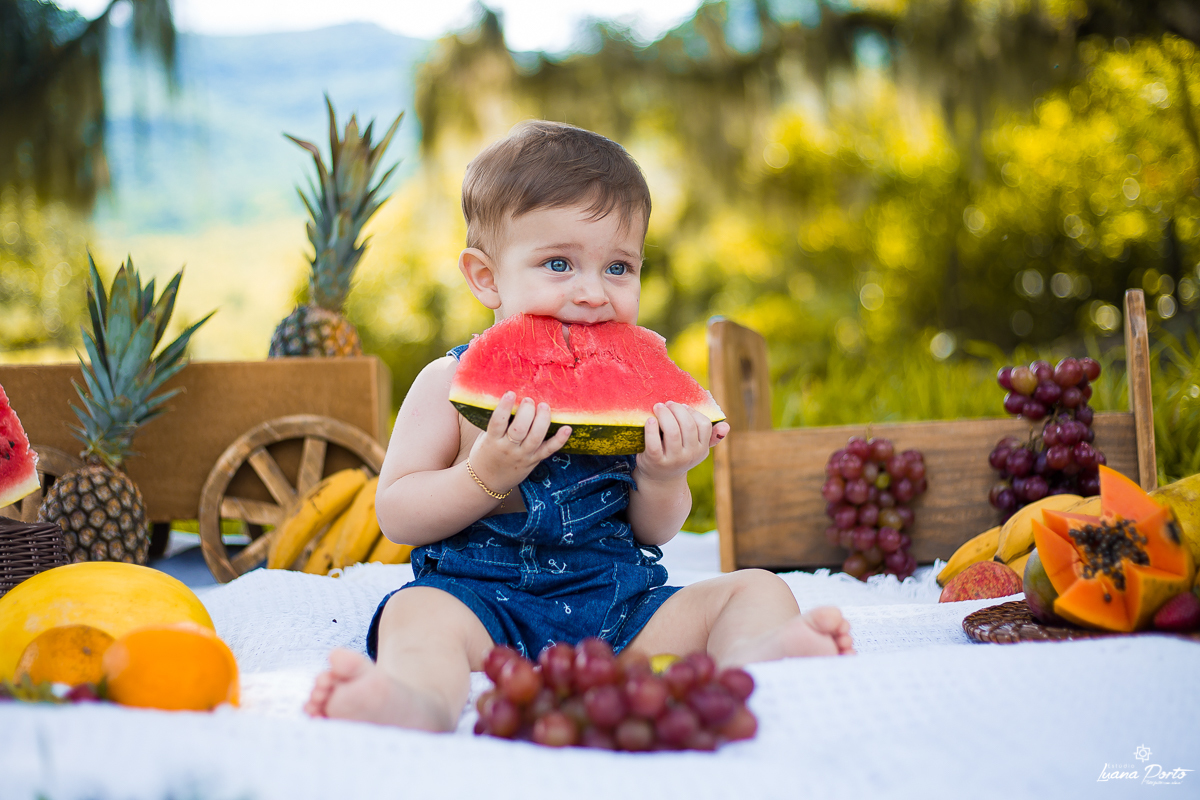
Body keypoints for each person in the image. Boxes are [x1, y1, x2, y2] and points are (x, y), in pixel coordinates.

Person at [305, 121, 854, 731]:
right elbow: (397, 513)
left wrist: (664, 473)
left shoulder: (639, 397)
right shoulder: (447, 383)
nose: (593, 293)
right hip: (484, 611)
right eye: (559, 263)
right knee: (416, 615)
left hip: (620, 610)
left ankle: (759, 657)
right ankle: (414, 700)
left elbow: (655, 531)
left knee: (755, 589)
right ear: (486, 277)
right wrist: (483, 474)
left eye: (619, 268)